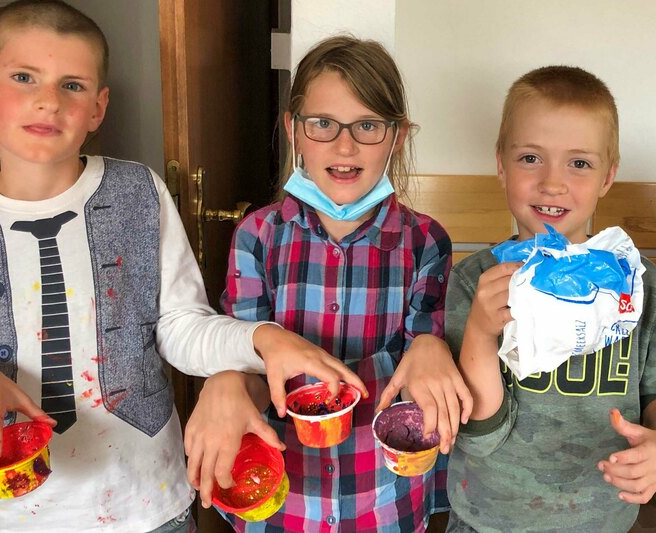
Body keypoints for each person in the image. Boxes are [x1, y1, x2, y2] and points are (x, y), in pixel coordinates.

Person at [0, 2, 366, 532]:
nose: (48, 100)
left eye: (72, 85)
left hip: (150, 502)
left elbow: (181, 328)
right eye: (24, 77)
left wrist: (263, 339)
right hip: (16, 515)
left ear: (98, 108)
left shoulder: (138, 193)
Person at [184, 36, 473, 532]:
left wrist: (431, 347)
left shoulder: (425, 241)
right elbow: (249, 364)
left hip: (383, 501)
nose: (344, 146)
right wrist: (225, 382)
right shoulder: (257, 235)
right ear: (293, 130)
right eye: (322, 124)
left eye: (368, 125)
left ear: (398, 136)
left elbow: (423, 382)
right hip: (286, 503)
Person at [445, 65, 656, 532]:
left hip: (604, 517)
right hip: (488, 518)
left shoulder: (641, 284)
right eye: (530, 158)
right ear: (501, 165)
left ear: (607, 176)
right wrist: (479, 330)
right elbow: (477, 434)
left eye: (579, 163)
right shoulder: (474, 282)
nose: (552, 183)